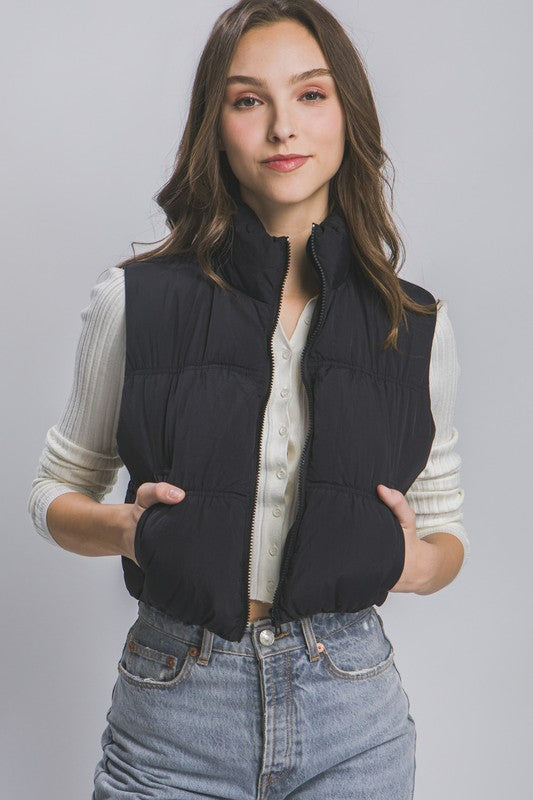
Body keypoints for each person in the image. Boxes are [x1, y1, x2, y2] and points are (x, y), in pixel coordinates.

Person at [28, 1, 470, 797]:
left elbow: (443, 526)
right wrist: (124, 531)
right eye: (246, 100)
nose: (281, 130)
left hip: (353, 713)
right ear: (216, 125)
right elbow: (52, 492)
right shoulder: (134, 301)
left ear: (347, 115)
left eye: (309, 94)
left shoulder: (415, 324)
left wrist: (413, 564)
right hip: (173, 712)